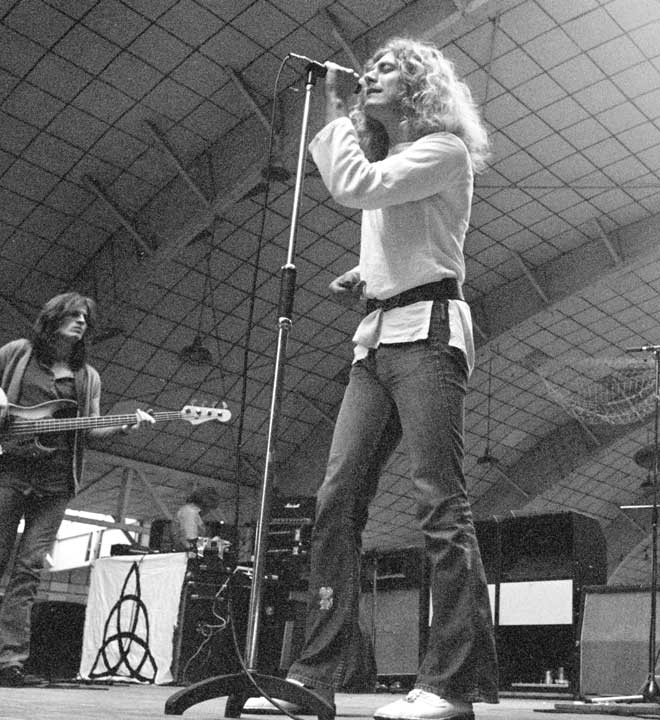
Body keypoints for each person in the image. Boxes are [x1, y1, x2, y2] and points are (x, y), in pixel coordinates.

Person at [281, 38, 498, 720]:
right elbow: (400, 227)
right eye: (367, 70)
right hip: (376, 339)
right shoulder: (394, 161)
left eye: (384, 70)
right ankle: (315, 673)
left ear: (418, 88)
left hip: (429, 333)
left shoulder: (443, 151)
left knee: (439, 502)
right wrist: (370, 277)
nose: (369, 75)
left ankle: (450, 687)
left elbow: (356, 188)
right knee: (335, 498)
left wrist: (341, 111)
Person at [0, 292, 152, 687]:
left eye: (86, 316)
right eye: (74, 314)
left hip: (56, 483)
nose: (82, 321)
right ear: (53, 318)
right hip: (10, 471)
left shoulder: (88, 377)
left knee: (29, 570)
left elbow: (90, 428)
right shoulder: (18, 353)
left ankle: (5, 665)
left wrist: (125, 424)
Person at [173, 487, 221, 551]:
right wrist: (214, 543)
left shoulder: (190, 511)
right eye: (210, 508)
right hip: (185, 556)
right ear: (205, 504)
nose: (208, 512)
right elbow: (191, 541)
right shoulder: (190, 512)